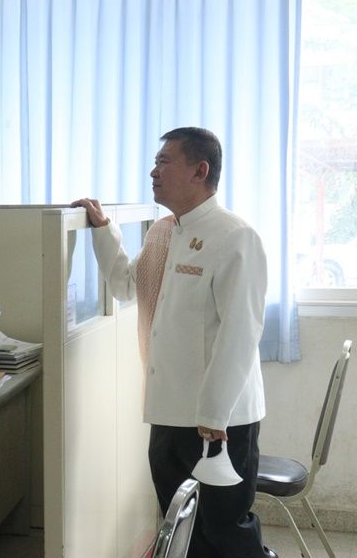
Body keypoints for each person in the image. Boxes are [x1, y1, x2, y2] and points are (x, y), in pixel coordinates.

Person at [72, 127, 275, 558]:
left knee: (224, 531)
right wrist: (103, 230)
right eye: (156, 162)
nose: (154, 171)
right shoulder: (166, 233)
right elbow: (127, 285)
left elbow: (240, 333)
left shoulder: (235, 236)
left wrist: (214, 415)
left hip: (216, 421)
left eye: (164, 162)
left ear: (200, 170)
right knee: (180, 528)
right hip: (168, 410)